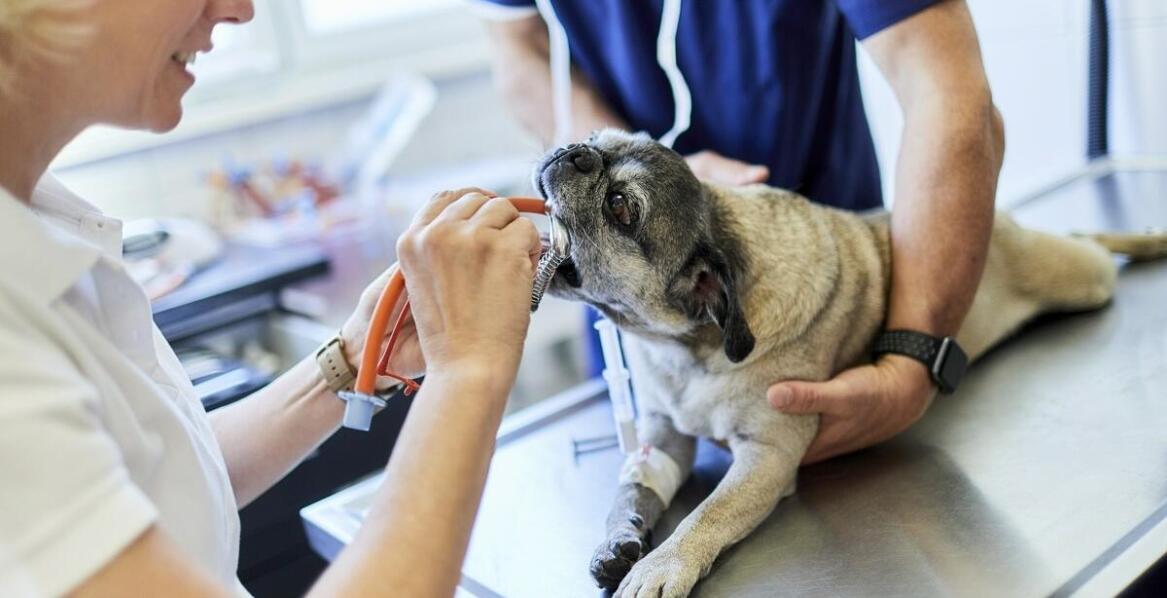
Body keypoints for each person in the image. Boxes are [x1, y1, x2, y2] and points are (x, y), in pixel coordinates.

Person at [0, 1, 540, 596]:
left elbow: (165, 484)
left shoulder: (44, 216)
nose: (240, 9)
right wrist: (468, 371)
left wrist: (353, 361)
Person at [478, 0, 1006, 462]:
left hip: (836, 312)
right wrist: (640, 174)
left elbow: (947, 91)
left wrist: (913, 357)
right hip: (637, 315)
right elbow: (519, 45)